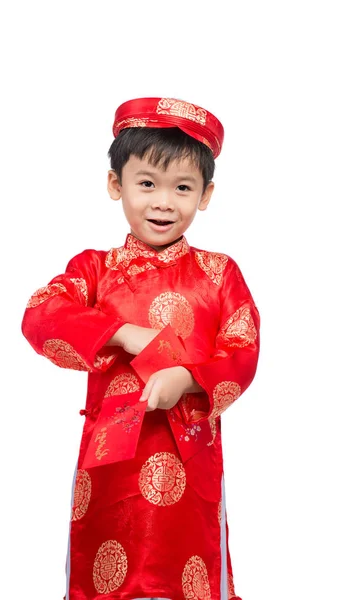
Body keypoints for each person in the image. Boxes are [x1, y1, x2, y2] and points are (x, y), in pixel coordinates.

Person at [21, 96, 260, 600]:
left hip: (189, 462)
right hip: (108, 469)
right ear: (116, 184)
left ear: (206, 195)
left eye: (183, 188)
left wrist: (189, 378)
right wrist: (122, 333)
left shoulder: (219, 274)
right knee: (101, 579)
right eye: (147, 183)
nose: (163, 202)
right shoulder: (94, 270)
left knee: (190, 576)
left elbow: (243, 348)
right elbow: (40, 315)